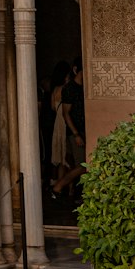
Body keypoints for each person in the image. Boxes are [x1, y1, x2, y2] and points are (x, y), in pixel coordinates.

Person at [52, 56, 85, 200]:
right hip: (75, 132)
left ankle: (76, 193)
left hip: (82, 131)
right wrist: (76, 134)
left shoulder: (84, 88)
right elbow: (66, 114)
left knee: (75, 165)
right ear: (76, 70)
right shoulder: (70, 88)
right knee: (83, 165)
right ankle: (58, 187)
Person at [48, 59, 72, 184]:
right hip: (65, 121)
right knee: (65, 156)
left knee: (58, 154)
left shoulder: (55, 90)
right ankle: (65, 185)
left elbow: (52, 107)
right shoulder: (67, 89)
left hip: (57, 122)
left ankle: (56, 182)